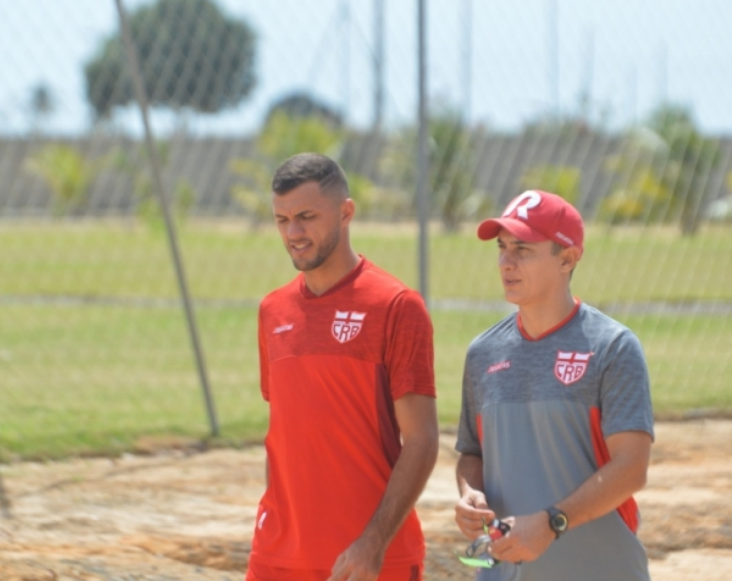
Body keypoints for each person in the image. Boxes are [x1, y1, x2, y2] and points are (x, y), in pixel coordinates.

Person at [246, 152, 439, 581]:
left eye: (307, 217)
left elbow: (423, 440)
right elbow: (285, 433)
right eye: (282, 220)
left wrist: (372, 543)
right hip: (277, 556)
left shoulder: (395, 306)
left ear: (346, 212)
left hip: (367, 560)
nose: (293, 233)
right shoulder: (272, 310)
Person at [454, 190, 654, 580]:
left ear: (567, 258)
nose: (506, 263)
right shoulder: (483, 352)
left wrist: (551, 523)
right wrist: (469, 493)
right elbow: (471, 453)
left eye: (523, 250)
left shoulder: (611, 347)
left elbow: (632, 468)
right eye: (502, 247)